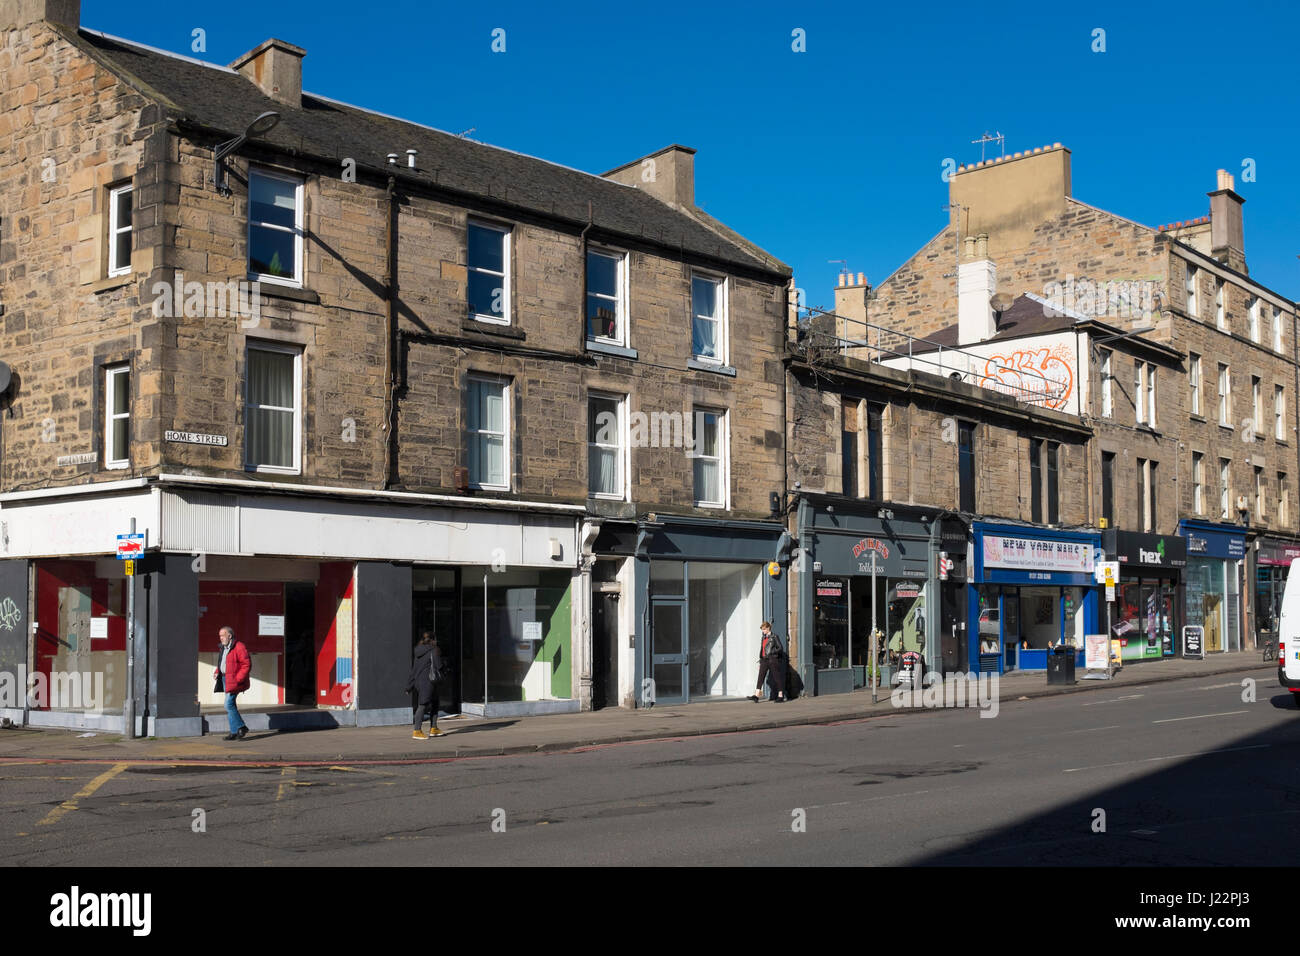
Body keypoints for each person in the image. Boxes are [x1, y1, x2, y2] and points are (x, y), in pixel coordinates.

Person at [214, 626, 251, 741]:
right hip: (225, 679)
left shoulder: (239, 647)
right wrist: (217, 671)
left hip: (234, 681)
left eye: (222, 635)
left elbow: (246, 664)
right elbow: (222, 662)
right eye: (220, 636)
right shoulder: (223, 648)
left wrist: (238, 679)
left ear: (229, 636)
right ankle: (234, 732)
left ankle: (242, 727)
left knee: (228, 704)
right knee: (231, 705)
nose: (220, 638)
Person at [407, 632, 444, 739]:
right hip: (428, 682)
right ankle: (417, 731)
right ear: (433, 639)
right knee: (422, 705)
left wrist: (409, 686)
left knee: (435, 702)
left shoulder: (418, 651)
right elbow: (438, 665)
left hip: (420, 681)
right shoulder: (433, 649)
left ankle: (434, 728)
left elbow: (414, 669)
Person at [748, 621, 786, 703]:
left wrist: (772, 652)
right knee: (760, 677)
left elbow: (780, 648)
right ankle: (756, 695)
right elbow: (763, 649)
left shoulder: (774, 636)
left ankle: (780, 695)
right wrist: (761, 659)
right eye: (762, 629)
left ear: (768, 628)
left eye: (764, 629)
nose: (763, 631)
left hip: (772, 660)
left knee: (777, 678)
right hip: (764, 660)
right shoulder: (763, 637)